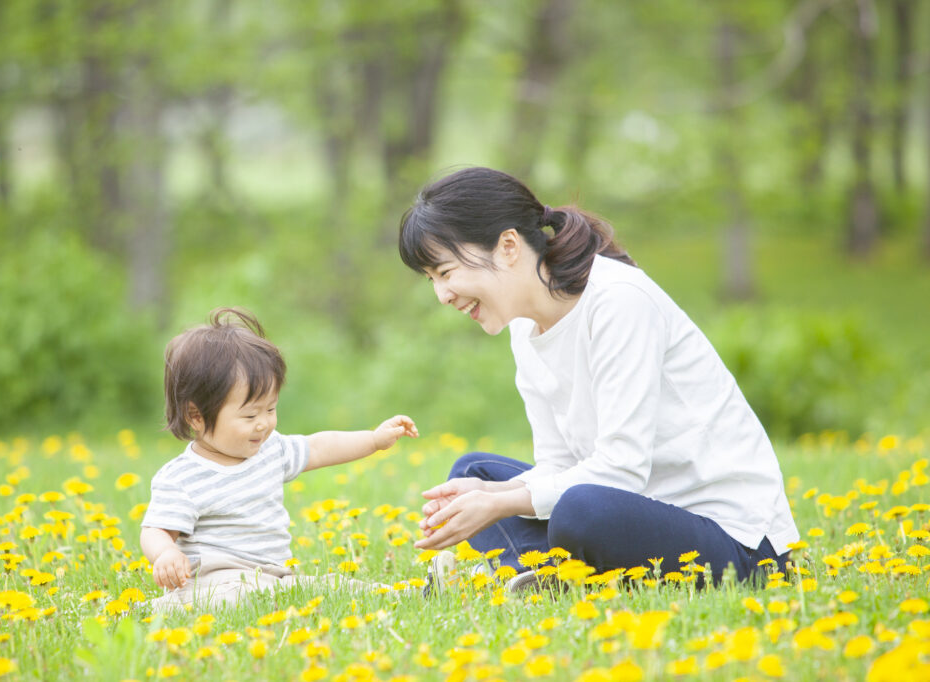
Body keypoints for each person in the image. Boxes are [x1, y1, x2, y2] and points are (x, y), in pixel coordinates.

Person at [398, 166, 798, 587]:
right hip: (630, 512)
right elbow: (558, 464)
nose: (442, 295)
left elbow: (621, 471)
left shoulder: (618, 301)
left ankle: (544, 572)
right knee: (472, 476)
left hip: (739, 544)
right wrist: (488, 496)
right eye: (432, 280)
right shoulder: (525, 328)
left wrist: (499, 505)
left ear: (508, 246)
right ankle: (543, 577)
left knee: (581, 511)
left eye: (445, 273)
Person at [140, 307, 418, 608]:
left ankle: (409, 592)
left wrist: (374, 439)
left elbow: (322, 446)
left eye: (270, 409)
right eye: (249, 415)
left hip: (276, 576)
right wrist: (166, 553)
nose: (264, 423)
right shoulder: (183, 477)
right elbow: (155, 529)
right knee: (233, 598)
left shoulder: (272, 450)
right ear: (196, 415)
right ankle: (164, 607)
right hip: (215, 580)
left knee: (329, 587)